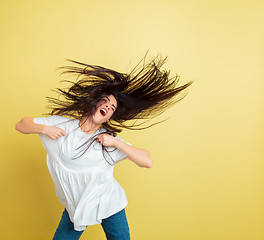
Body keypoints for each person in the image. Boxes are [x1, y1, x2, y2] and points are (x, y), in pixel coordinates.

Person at [15, 54, 192, 239]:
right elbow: (21, 124)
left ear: (109, 117)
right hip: (77, 205)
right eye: (105, 102)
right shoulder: (61, 126)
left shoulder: (107, 139)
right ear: (95, 101)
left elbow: (147, 161)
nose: (108, 107)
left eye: (113, 108)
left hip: (108, 202)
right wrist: (44, 129)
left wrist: (116, 142)